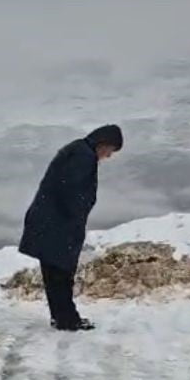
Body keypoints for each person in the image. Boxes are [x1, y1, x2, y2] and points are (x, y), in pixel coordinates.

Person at [19, 124, 124, 331]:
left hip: (49, 221)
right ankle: (67, 319)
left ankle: (62, 317)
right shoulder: (83, 157)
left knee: (54, 272)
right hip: (58, 224)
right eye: (110, 150)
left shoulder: (78, 150)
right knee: (61, 272)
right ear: (103, 144)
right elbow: (73, 192)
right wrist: (77, 218)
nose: (108, 156)